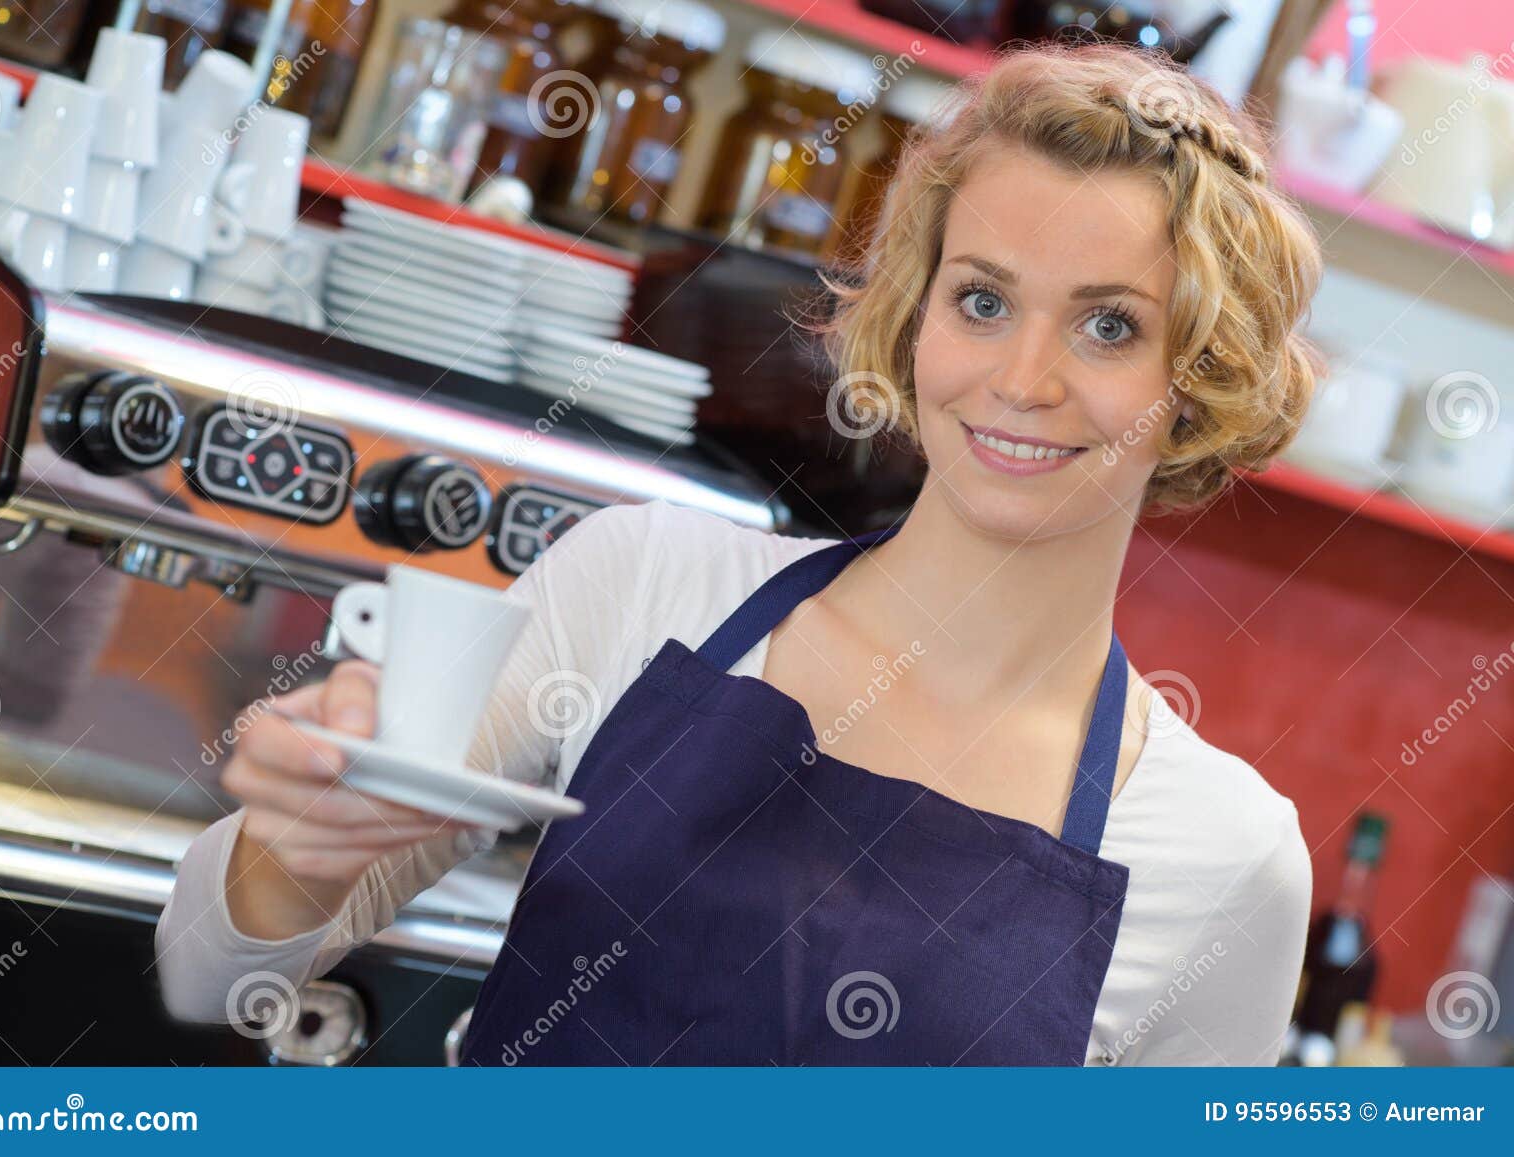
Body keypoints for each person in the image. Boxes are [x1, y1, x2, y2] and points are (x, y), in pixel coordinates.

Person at [155, 43, 1323, 1065]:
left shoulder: (1223, 854)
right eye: (979, 301)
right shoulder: (642, 581)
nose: (1021, 378)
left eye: (1108, 323)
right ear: (914, 313)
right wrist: (293, 849)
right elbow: (211, 984)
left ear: (1196, 380)